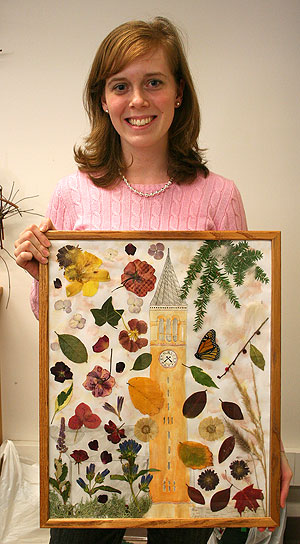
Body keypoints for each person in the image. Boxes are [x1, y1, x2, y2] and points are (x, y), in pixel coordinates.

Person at [14, 16, 292, 544]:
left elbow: (239, 330)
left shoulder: (218, 197)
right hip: (94, 427)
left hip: (193, 421)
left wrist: (266, 441)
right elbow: (65, 332)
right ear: (102, 99)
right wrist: (40, 279)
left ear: (179, 93)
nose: (137, 99)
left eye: (154, 81)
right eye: (121, 85)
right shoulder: (72, 194)